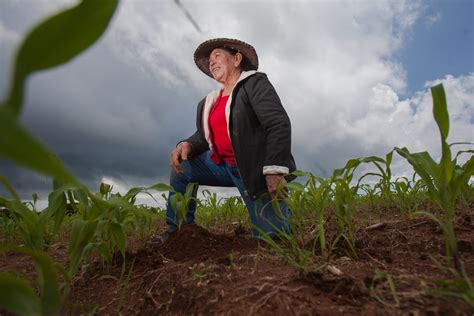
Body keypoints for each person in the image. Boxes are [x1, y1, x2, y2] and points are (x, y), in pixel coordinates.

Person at [157, 38, 296, 242]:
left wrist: (274, 170)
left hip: (253, 171)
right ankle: (177, 232)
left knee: (274, 240)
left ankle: (277, 225)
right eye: (210, 59)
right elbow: (203, 136)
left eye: (217, 56)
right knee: (182, 169)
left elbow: (278, 123)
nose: (212, 62)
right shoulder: (208, 102)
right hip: (222, 166)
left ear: (237, 59)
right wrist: (185, 144)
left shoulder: (254, 84)